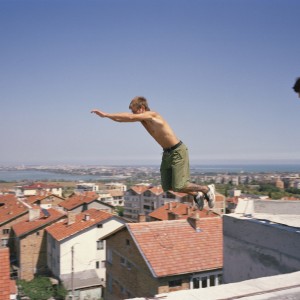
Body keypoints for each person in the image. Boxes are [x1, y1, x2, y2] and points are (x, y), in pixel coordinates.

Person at [91, 96, 215, 210]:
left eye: (135, 111)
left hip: (178, 151)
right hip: (167, 153)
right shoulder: (142, 120)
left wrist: (106, 114)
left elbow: (129, 117)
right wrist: (107, 116)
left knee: (179, 185)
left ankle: (206, 189)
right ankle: (196, 194)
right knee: (168, 186)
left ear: (142, 108)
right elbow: (122, 119)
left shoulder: (153, 115)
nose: (133, 114)